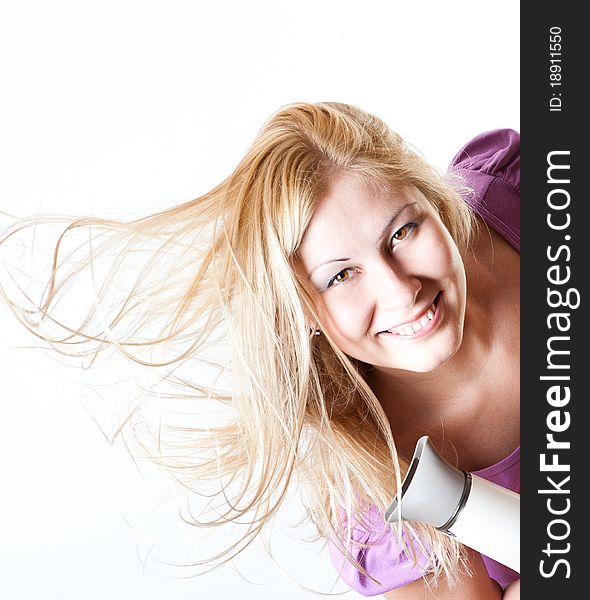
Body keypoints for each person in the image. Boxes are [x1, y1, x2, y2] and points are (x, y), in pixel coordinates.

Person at [0, 102, 520, 599]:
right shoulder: (377, 489)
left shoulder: (516, 200)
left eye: (403, 231)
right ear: (302, 311)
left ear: (436, 199)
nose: (400, 290)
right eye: (340, 275)